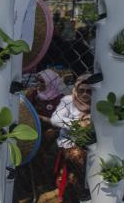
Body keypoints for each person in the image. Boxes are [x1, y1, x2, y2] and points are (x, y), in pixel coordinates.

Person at [15, 69, 64, 202]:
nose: (37, 83)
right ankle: (27, 190)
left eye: (41, 81)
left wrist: (39, 118)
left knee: (47, 149)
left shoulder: (59, 100)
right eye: (36, 80)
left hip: (49, 134)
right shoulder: (33, 94)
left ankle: (43, 186)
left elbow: (59, 123)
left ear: (51, 83)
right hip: (30, 131)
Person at [49, 74, 92, 202]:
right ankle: (78, 191)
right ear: (76, 89)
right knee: (76, 157)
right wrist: (75, 124)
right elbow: (55, 119)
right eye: (81, 90)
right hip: (70, 143)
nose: (85, 94)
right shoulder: (68, 100)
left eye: (89, 91)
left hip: (90, 144)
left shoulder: (97, 103)